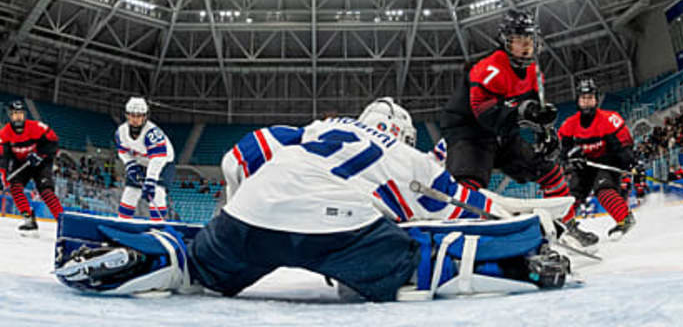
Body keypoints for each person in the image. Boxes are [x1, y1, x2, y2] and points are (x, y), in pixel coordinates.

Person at [55, 98, 571, 300]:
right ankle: (518, 261)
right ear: (397, 129)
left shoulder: (319, 126)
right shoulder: (404, 155)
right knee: (416, 258)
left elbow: (239, 158)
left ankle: (152, 260)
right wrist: (515, 213)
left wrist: (237, 209)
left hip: (251, 213)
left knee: (200, 271)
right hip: (337, 227)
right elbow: (452, 201)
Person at [439, 9, 585, 245]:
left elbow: (534, 112)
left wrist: (547, 134)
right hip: (469, 132)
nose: (526, 47)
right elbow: (485, 115)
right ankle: (462, 237)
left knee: (549, 170)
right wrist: (523, 112)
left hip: (503, 133)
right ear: (506, 42)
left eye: (530, 40)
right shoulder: (487, 68)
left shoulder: (533, 72)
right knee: (469, 182)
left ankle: (568, 225)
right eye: (519, 41)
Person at [559, 79, 637, 240]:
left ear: (596, 99)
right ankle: (566, 227)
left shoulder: (610, 119)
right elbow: (562, 152)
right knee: (571, 196)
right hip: (583, 166)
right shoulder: (568, 125)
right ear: (578, 100)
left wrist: (630, 163)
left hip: (607, 163)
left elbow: (624, 147)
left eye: (590, 98)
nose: (586, 102)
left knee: (604, 190)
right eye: (583, 98)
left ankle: (625, 219)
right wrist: (569, 159)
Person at [0, 100, 63, 232]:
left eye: (20, 113)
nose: (18, 116)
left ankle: (63, 221)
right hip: (21, 164)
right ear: (10, 115)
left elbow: (53, 143)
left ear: (25, 115)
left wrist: (40, 154)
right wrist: (2, 172)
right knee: (15, 188)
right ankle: (28, 219)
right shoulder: (4, 133)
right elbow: (3, 155)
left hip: (41, 163)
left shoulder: (37, 127)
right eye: (15, 114)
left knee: (46, 191)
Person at [114, 97, 175, 220]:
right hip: (140, 162)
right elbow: (123, 152)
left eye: (139, 116)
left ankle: (158, 226)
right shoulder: (121, 132)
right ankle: (123, 221)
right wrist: (130, 165)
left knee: (157, 193)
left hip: (163, 163)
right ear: (127, 115)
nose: (135, 119)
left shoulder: (152, 133)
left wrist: (151, 180)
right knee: (130, 192)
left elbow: (157, 159)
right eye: (132, 115)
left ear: (145, 116)